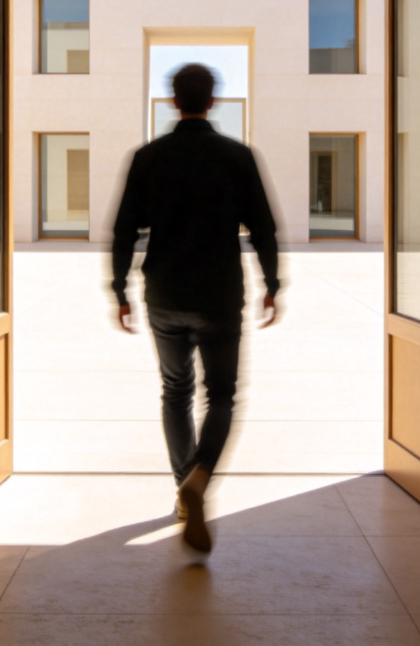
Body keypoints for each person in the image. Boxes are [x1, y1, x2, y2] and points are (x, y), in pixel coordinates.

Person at [111, 63, 280, 554]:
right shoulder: (237, 157)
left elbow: (124, 228)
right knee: (222, 396)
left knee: (174, 392)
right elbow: (264, 227)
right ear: (212, 101)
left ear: (173, 100)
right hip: (219, 295)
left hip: (164, 294)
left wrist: (118, 289)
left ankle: (185, 488)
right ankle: (200, 479)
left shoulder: (148, 158)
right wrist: (273, 283)